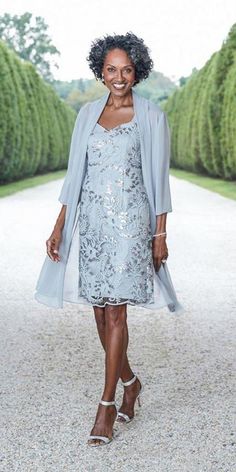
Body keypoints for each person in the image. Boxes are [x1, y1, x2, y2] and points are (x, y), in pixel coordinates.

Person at [34, 32, 183, 447]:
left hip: (131, 226)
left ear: (137, 73)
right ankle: (131, 382)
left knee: (117, 313)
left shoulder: (151, 116)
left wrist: (160, 233)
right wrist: (60, 224)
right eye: (112, 69)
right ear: (101, 71)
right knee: (99, 314)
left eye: (127, 70)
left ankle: (106, 407)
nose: (119, 77)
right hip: (95, 226)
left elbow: (159, 180)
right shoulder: (86, 115)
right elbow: (73, 176)